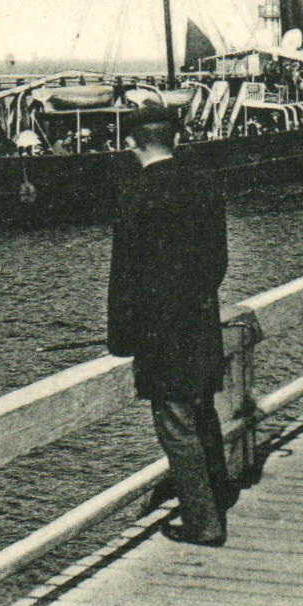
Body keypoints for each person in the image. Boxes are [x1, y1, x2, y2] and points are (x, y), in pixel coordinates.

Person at [107, 103, 234, 546]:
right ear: (175, 139)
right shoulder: (204, 185)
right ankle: (218, 495)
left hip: (160, 336)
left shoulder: (135, 194)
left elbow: (123, 278)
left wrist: (122, 340)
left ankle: (204, 523)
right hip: (200, 324)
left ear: (131, 144)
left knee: (176, 425)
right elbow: (217, 264)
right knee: (202, 414)